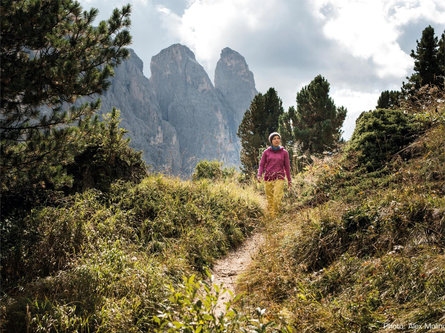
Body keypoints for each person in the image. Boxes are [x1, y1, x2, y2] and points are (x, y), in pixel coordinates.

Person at [257, 132, 292, 218]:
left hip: (279, 177)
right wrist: (259, 175)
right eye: (274, 139)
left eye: (278, 138)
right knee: (270, 199)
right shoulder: (266, 152)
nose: (276, 140)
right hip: (268, 178)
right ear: (271, 141)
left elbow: (287, 167)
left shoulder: (284, 153)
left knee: (277, 198)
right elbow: (261, 165)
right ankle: (270, 217)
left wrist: (289, 180)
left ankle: (275, 217)